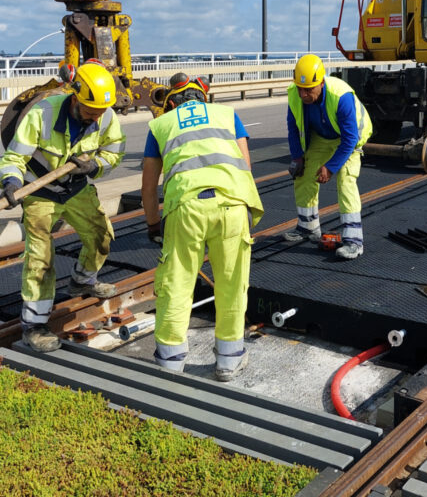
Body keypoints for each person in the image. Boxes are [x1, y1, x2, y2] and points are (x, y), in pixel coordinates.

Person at [0, 61, 126, 353]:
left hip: (76, 188)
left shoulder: (105, 115)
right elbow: (13, 158)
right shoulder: (42, 114)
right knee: (40, 257)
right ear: (76, 97)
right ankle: (34, 326)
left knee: (101, 236)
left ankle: (83, 281)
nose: (96, 117)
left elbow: (113, 152)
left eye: (100, 111)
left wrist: (93, 166)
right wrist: (11, 182)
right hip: (40, 192)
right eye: (90, 110)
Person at [141, 73, 263, 381]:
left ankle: (170, 363)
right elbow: (245, 167)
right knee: (232, 282)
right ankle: (229, 360)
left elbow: (148, 187)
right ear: (203, 98)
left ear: (171, 104)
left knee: (177, 284)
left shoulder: (161, 125)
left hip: (185, 209)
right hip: (232, 205)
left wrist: (154, 225)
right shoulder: (227, 115)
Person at [284, 54, 372, 260]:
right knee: (303, 174)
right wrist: (297, 158)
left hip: (348, 139)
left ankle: (354, 241)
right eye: (300, 88)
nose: (303, 94)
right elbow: (293, 128)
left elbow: (350, 139)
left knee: (346, 180)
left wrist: (331, 167)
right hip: (321, 137)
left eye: (309, 89)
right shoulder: (294, 94)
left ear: (321, 83)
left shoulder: (341, 96)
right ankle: (308, 226)